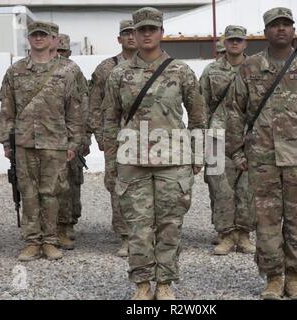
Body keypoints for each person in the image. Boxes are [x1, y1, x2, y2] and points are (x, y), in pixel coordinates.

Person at [211, 7, 297, 299]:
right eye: (275, 25)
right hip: (262, 158)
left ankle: (294, 278)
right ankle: (272, 277)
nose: (281, 29)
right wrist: (236, 152)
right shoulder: (251, 67)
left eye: (286, 25)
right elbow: (234, 112)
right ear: (266, 32)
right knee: (266, 221)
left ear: (293, 30)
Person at [101, 7, 206, 299]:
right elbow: (109, 120)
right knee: (137, 225)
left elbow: (198, 117)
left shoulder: (181, 71)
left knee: (170, 224)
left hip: (173, 160)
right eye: (141, 30)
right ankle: (143, 284)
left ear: (161, 33)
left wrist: (197, 157)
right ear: (132, 34)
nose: (146, 34)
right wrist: (111, 161)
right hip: (133, 160)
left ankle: (165, 283)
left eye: (152, 29)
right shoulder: (119, 74)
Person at [0, 21, 82, 261]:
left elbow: (74, 110)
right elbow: (7, 108)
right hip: (24, 142)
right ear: (28, 38)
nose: (38, 39)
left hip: (55, 142)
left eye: (43, 35)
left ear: (52, 38)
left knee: (52, 192)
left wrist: (74, 143)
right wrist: (6, 141)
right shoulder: (15, 71)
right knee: (28, 193)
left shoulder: (67, 71)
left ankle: (51, 241)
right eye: (34, 35)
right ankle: (33, 242)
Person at [200, 25, 255, 255]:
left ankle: (243, 234)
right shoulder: (211, 71)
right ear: (225, 42)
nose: (235, 43)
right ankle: (225, 234)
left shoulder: (257, 69)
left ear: (245, 44)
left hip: (248, 136)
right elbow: (200, 105)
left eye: (239, 40)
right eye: (231, 39)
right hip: (217, 136)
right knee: (220, 188)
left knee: (247, 188)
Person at [88, 20, 138, 257]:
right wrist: (101, 135)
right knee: (118, 186)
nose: (131, 37)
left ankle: (147, 233)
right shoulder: (106, 68)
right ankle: (126, 236)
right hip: (116, 139)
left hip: (148, 138)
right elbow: (94, 104)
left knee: (149, 185)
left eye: (133, 32)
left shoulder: (156, 65)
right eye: (125, 34)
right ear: (119, 39)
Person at [56, 32, 90, 248]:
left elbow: (83, 104)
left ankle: (68, 222)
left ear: (68, 52)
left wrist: (83, 136)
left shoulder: (73, 72)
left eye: (62, 51)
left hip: (70, 136)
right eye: (56, 50)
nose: (58, 55)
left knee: (71, 182)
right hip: (46, 137)